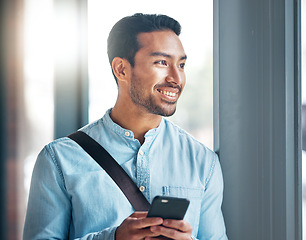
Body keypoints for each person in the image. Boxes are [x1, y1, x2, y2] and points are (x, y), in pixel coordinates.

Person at [23, 13, 227, 240]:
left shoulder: (203, 162)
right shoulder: (58, 159)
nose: (176, 78)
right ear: (121, 69)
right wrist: (113, 238)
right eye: (161, 62)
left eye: (181, 64)